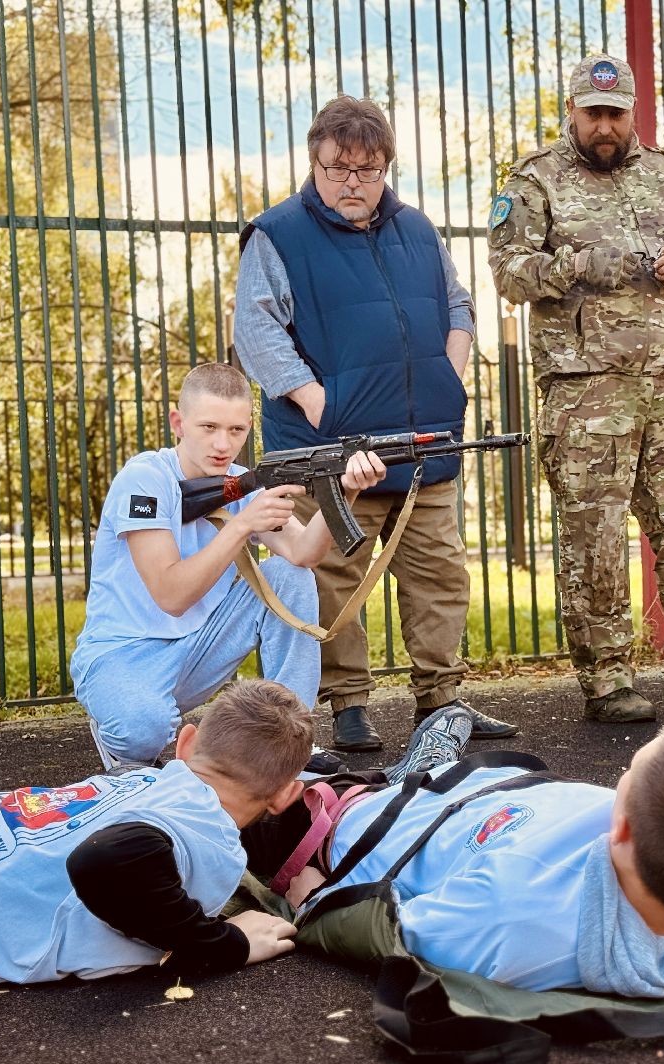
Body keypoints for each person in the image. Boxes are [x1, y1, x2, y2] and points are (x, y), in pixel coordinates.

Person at [234, 95, 517, 754]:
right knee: (333, 578)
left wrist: (449, 377)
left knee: (440, 577)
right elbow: (256, 330)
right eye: (338, 169)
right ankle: (349, 708)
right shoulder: (277, 234)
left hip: (425, 448)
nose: (353, 183)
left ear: (386, 165)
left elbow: (457, 304)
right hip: (329, 449)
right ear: (315, 161)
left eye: (368, 169)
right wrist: (317, 403)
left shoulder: (416, 229)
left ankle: (440, 701)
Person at [488, 54, 664, 724]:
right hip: (586, 389)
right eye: (592, 113)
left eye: (615, 113)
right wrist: (577, 264)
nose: (604, 126)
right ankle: (607, 681)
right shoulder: (534, 178)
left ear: (631, 111)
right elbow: (508, 272)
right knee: (594, 539)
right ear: (571, 111)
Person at [245, 714, 664, 995]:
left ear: (619, 828)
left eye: (625, 776)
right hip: (469, 790)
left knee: (253, 768)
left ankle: (381, 765)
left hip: (351, 825)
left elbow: (388, 930)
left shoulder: (511, 914)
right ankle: (421, 760)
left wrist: (317, 900)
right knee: (398, 773)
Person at [0, 679, 313, 988]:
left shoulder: (145, 782)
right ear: (283, 796)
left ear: (186, 742)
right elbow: (108, 858)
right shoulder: (204, 829)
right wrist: (224, 945)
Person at [70, 363, 386, 773]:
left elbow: (304, 552)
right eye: (208, 427)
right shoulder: (144, 479)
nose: (223, 444)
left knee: (290, 576)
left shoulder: (240, 482)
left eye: (236, 431)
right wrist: (241, 526)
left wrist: (347, 490)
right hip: (123, 654)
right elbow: (171, 595)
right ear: (178, 423)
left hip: (199, 648)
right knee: (141, 733)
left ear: (249, 427)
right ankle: (124, 723)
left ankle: (293, 738)